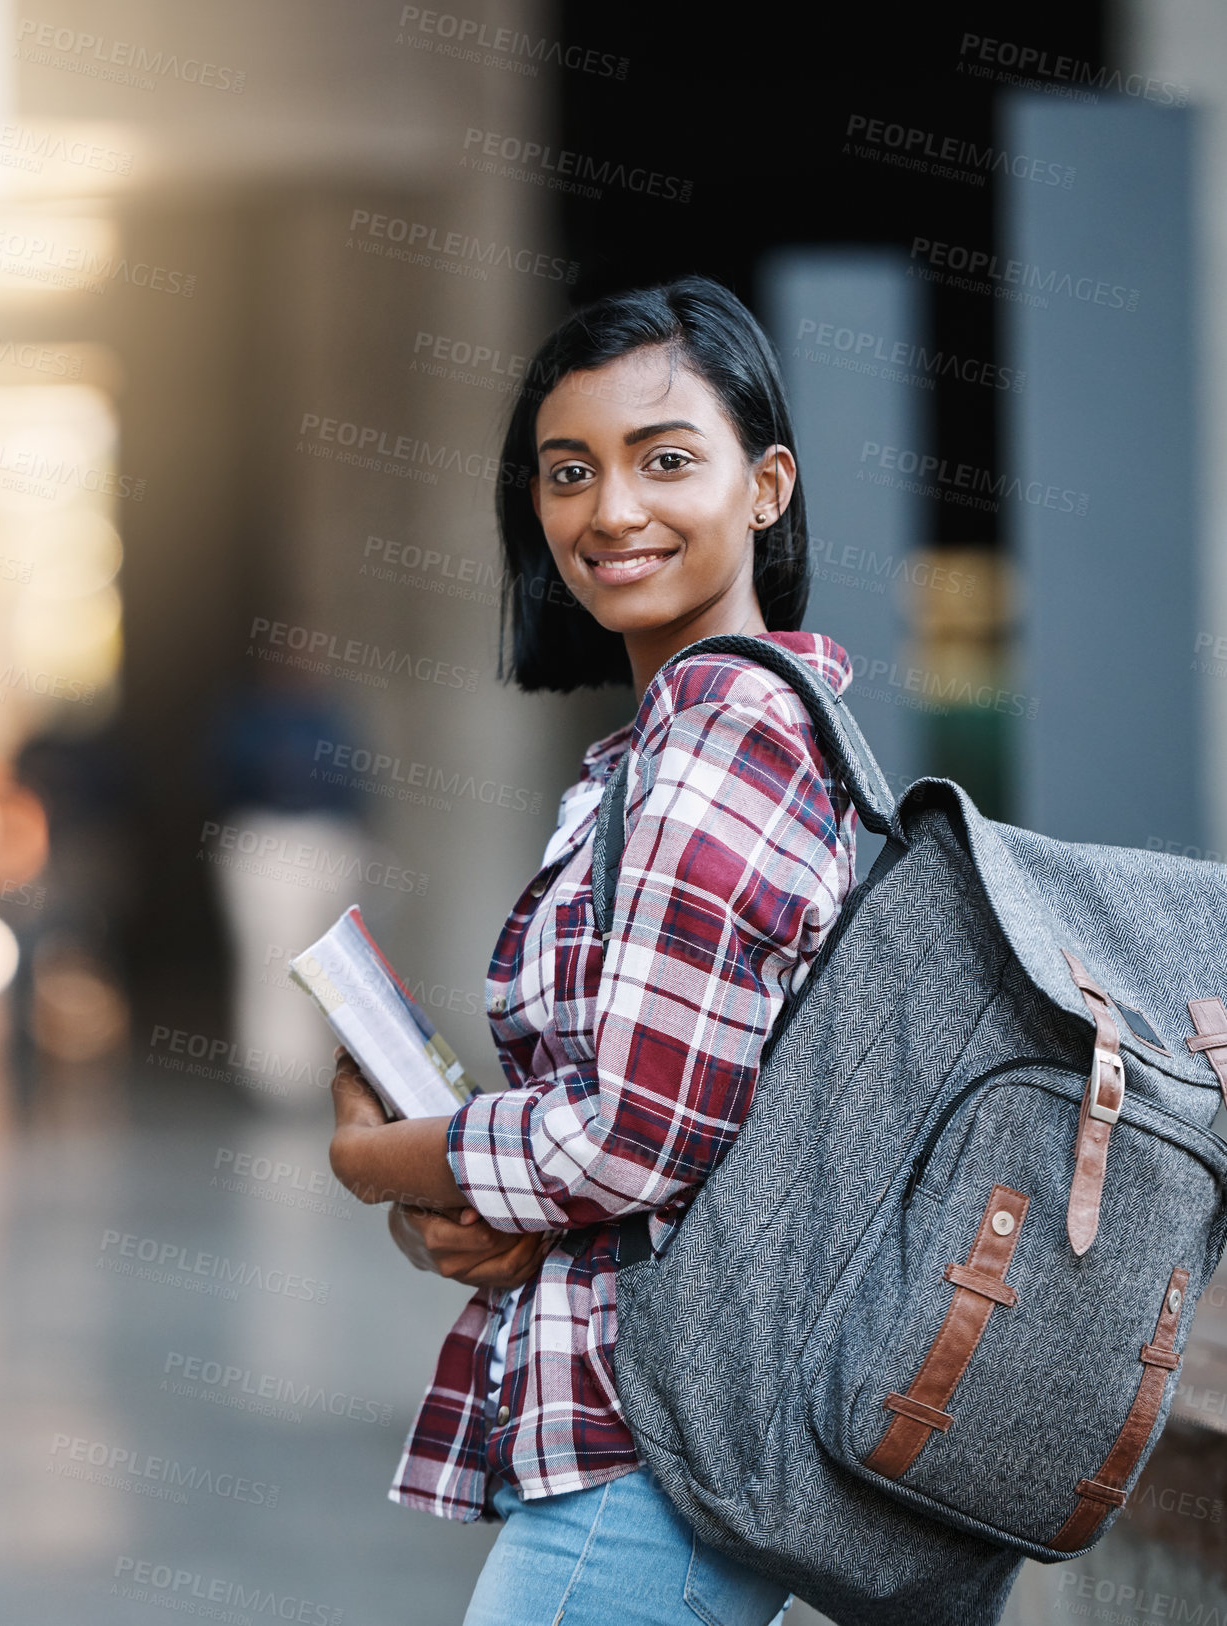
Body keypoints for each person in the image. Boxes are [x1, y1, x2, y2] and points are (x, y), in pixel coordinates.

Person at [328, 275, 859, 1626]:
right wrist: (476, 1216)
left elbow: (629, 1138)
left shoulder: (726, 737)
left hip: (654, 1453)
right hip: (644, 1432)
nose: (610, 509)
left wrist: (388, 1156)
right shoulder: (655, 752)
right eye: (569, 471)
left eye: (665, 459)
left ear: (767, 486)